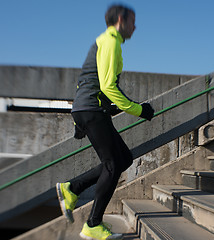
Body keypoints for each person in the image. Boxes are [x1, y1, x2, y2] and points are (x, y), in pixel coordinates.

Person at [56, 4, 154, 240]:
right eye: (132, 20)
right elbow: (109, 86)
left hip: (89, 109)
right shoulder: (110, 41)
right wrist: (139, 110)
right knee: (112, 164)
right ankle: (92, 224)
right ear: (121, 20)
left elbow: (91, 80)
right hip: (91, 109)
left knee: (123, 159)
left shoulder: (109, 41)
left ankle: (72, 188)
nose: (135, 26)